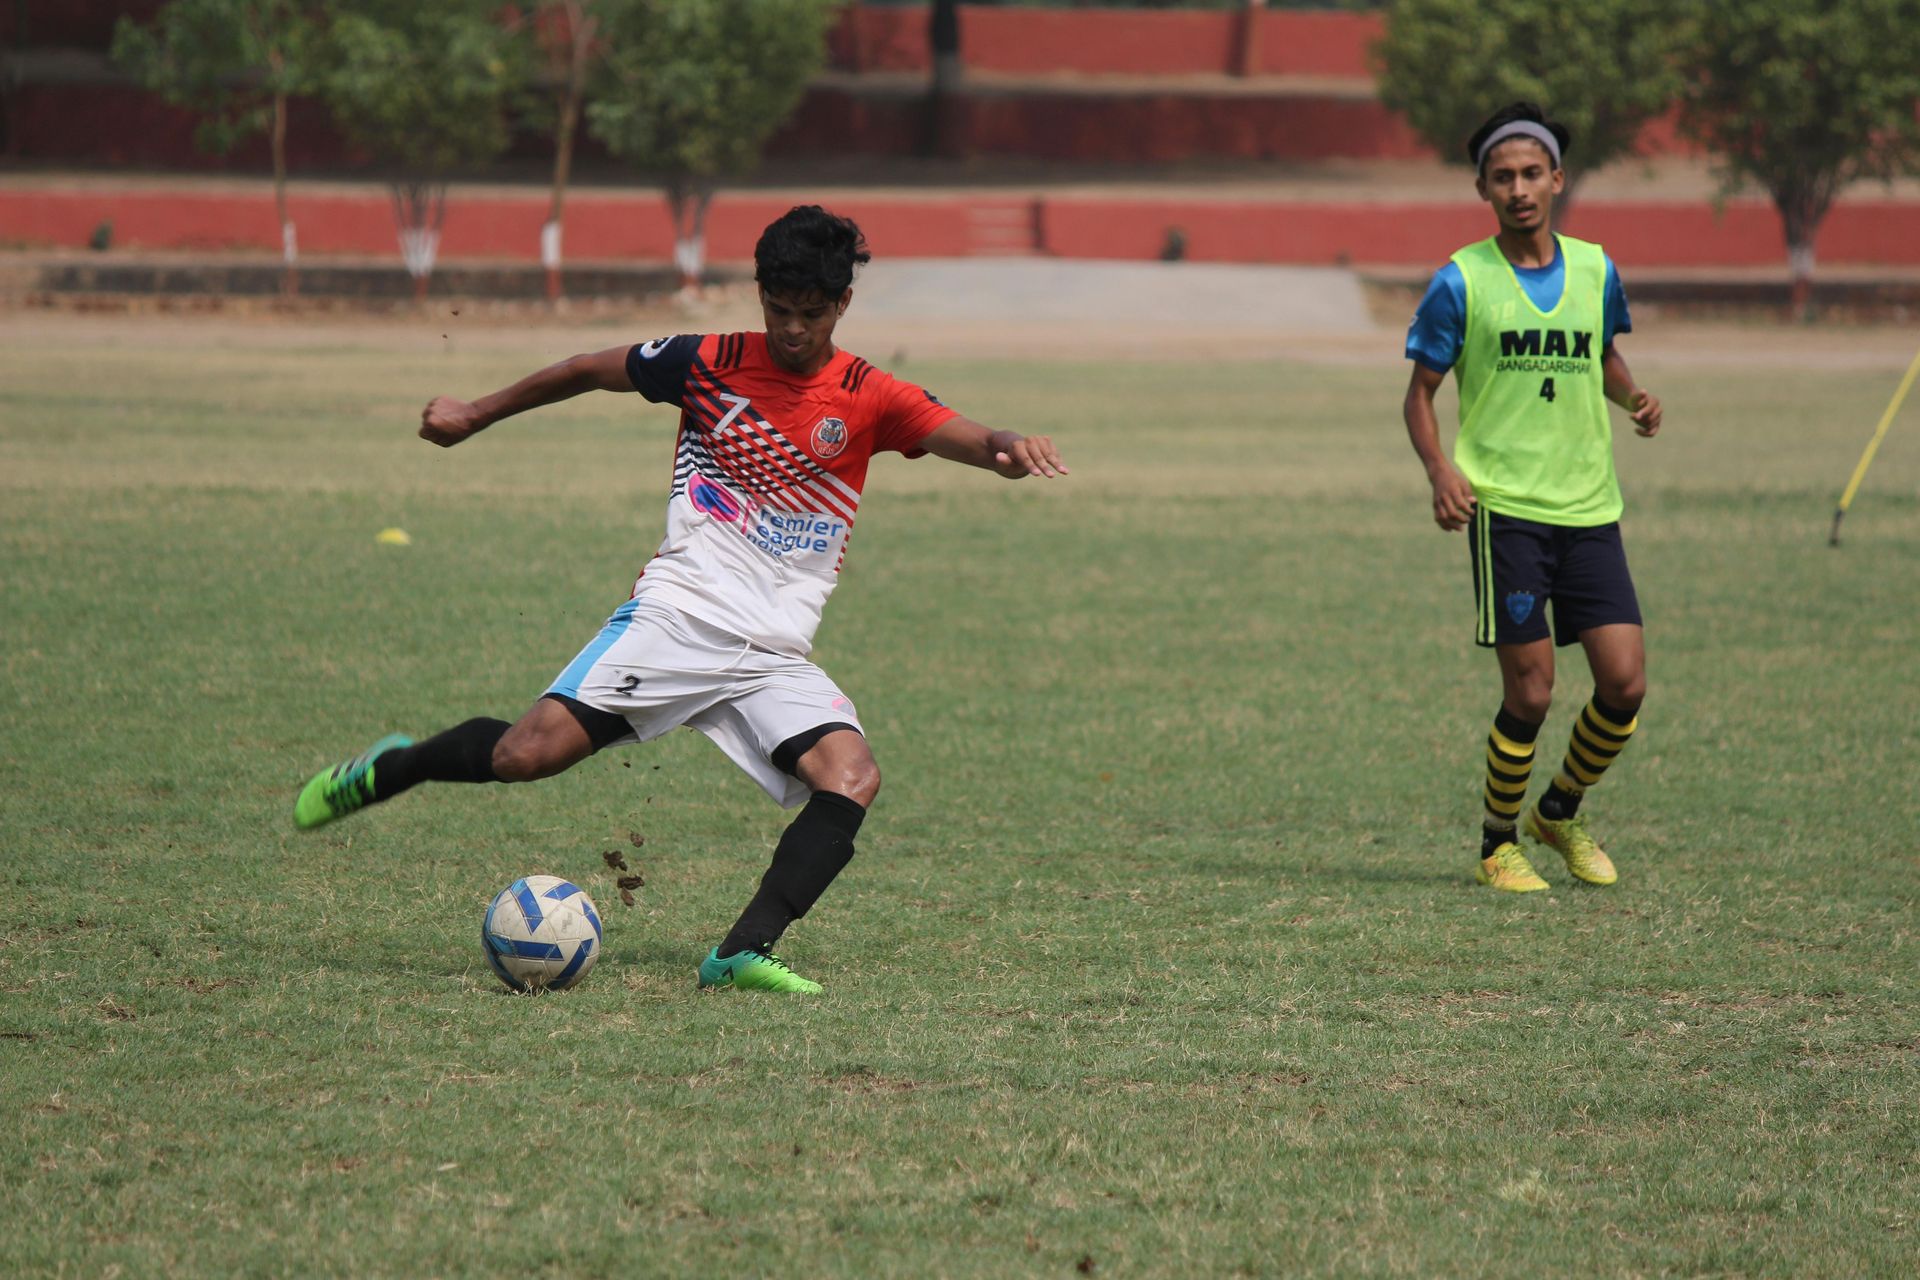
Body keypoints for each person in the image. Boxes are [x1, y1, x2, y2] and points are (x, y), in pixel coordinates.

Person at [294, 205, 1068, 988]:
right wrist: (474, 412)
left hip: (771, 652)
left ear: (842, 306)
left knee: (852, 775)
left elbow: (964, 434)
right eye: (779, 310)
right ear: (760, 295)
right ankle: (395, 767)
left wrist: (1007, 449)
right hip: (681, 616)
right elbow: (584, 368)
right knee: (522, 756)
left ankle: (740, 954)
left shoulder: (868, 394)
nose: (793, 329)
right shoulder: (707, 362)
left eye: (810, 314)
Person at [1401, 103, 1663, 893]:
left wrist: (1635, 397)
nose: (1519, 189)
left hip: (1589, 506)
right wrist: (1442, 470)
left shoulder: (1595, 268)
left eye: (1531, 173)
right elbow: (1418, 394)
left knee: (1625, 684)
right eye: (1502, 176)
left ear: (1557, 179)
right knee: (1534, 689)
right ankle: (1495, 844)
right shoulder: (1460, 281)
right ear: (1483, 187)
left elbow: (1602, 354)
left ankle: (1560, 811)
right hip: (1506, 510)